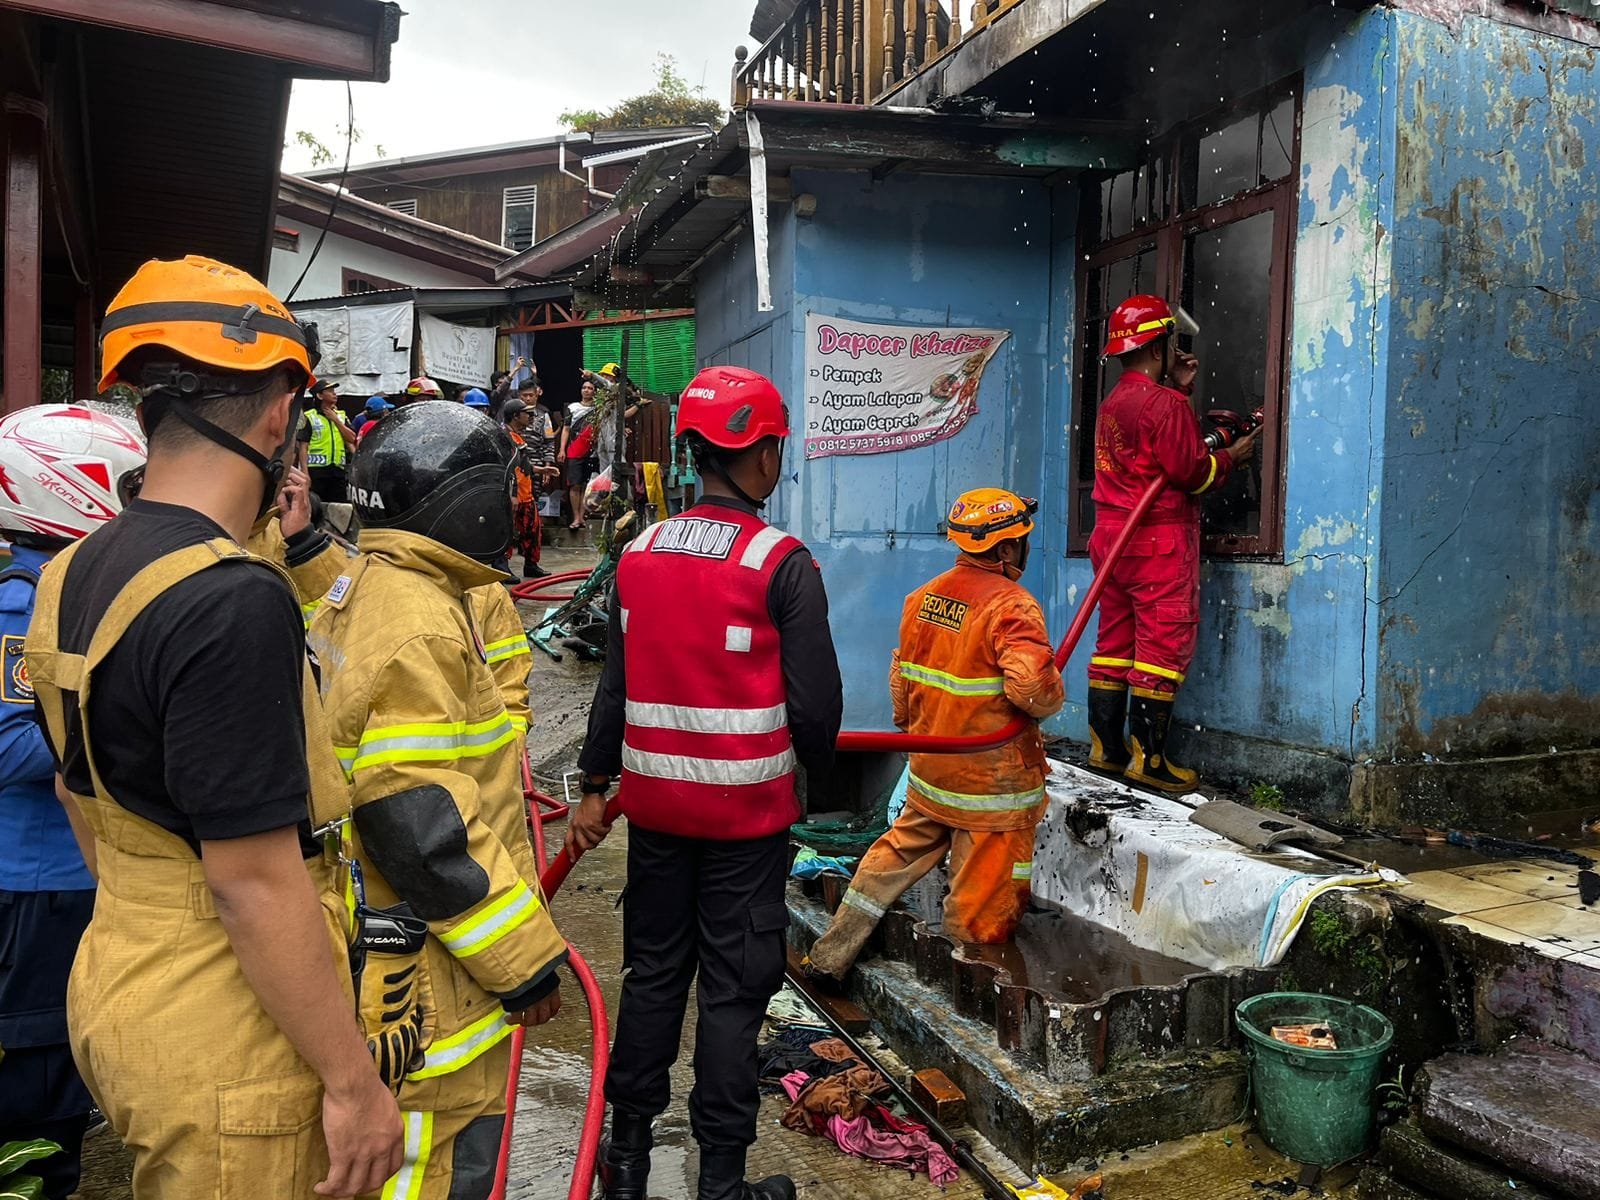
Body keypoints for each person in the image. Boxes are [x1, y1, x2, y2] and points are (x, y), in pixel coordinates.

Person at [25, 255, 403, 1199]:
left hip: (120, 976)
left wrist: (155, 909)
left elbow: (75, 786)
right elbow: (252, 882)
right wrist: (353, 1084)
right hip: (229, 1024)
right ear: (281, 417)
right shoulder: (232, 599)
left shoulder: (72, 569)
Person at [569, 365, 843, 1200]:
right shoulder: (782, 563)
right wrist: (815, 783)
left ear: (693, 450)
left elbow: (613, 686)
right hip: (746, 829)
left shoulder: (639, 554)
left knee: (653, 978)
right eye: (776, 448)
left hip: (655, 817)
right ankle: (720, 1182)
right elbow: (817, 714)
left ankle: (625, 1165)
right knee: (734, 992)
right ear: (759, 455)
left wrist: (593, 782)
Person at [307, 400, 569, 1200]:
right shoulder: (421, 624)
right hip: (428, 979)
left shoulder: (367, 587)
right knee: (434, 1168)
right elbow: (417, 821)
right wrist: (524, 963)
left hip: (393, 944)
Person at [805, 489, 1065, 982]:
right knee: (981, 908)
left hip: (930, 772)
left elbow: (903, 686)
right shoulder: (1012, 605)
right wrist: (1051, 694)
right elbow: (1034, 689)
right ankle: (970, 990)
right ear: (1008, 548)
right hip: (992, 791)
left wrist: (916, 729)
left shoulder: (923, 598)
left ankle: (830, 956)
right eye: (1023, 542)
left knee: (891, 858)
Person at [0, 405, 146, 1199]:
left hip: (71, 874)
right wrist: (125, 734)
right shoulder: (23, 604)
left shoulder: (70, 589)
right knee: (39, 1078)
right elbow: (7, 746)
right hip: (37, 887)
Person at [1085, 295, 1260, 793]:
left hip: (1112, 539)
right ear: (1159, 347)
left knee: (1115, 642)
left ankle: (1107, 750)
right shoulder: (1164, 406)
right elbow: (1191, 473)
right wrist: (1231, 457)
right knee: (1162, 645)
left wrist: (1179, 389)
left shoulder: (1113, 403)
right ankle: (1151, 761)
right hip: (1157, 540)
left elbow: (1151, 456)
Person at [502, 396, 557, 579]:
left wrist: (541, 469)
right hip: (513, 495)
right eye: (526, 413)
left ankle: (531, 565)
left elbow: (522, 465)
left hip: (526, 493)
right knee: (507, 532)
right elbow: (507, 468)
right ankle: (502, 568)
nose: (530, 416)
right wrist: (512, 494)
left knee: (533, 530)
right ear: (515, 416)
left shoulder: (518, 437)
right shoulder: (505, 438)